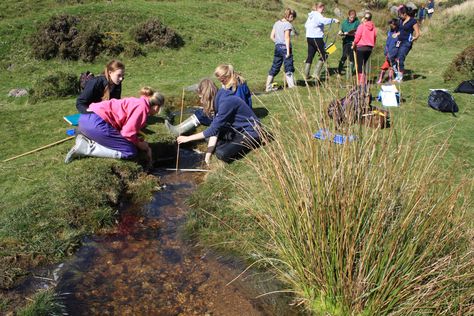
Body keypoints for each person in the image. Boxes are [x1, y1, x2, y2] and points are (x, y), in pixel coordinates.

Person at [65, 87, 164, 164]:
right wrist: (141, 145)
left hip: (83, 119)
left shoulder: (137, 101)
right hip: (96, 124)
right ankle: (87, 148)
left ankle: (86, 137)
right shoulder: (142, 108)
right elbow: (127, 134)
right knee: (130, 151)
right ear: (156, 107)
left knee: (125, 142)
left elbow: (124, 125)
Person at [177, 79, 261, 164]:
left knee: (221, 154)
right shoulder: (218, 98)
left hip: (251, 132)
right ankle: (232, 145)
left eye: (201, 97)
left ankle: (249, 144)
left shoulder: (226, 102)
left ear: (207, 95)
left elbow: (213, 130)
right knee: (208, 138)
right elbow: (215, 130)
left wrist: (187, 138)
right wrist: (208, 154)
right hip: (237, 130)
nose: (201, 101)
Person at [165, 64, 253, 136]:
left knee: (201, 114)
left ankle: (177, 130)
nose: (220, 81)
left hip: (235, 119)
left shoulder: (238, 87)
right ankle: (179, 128)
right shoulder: (232, 82)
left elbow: (239, 105)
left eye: (221, 79)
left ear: (226, 76)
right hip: (230, 114)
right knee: (202, 111)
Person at [303, 2, 339, 81]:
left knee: (310, 55)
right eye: (322, 8)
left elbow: (306, 25)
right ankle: (315, 74)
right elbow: (324, 21)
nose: (323, 9)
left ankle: (306, 75)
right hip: (317, 38)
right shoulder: (317, 15)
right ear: (319, 7)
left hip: (309, 37)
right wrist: (333, 20)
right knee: (325, 54)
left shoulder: (311, 15)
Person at [265, 8, 297, 92]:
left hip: (277, 47)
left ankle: (268, 87)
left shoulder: (277, 23)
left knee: (275, 66)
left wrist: (278, 42)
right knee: (288, 66)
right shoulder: (288, 25)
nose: (292, 20)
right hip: (285, 48)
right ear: (290, 16)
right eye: (293, 18)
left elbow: (271, 36)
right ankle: (291, 86)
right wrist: (288, 51)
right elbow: (287, 37)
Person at [392, 6, 420, 82]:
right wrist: (397, 34)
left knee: (400, 58)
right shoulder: (401, 20)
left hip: (406, 42)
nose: (399, 16)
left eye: (400, 14)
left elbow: (417, 33)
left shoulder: (413, 21)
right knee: (394, 58)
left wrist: (414, 38)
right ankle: (397, 74)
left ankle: (400, 76)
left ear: (405, 14)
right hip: (399, 41)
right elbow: (401, 31)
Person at [352, 12, 377, 85]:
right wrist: (372, 44)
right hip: (369, 48)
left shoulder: (361, 26)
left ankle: (361, 82)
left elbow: (358, 36)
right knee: (363, 64)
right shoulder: (373, 27)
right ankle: (364, 80)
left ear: (364, 18)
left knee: (360, 65)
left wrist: (354, 43)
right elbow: (375, 36)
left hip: (361, 47)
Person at [337, 9, 359, 77]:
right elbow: (341, 29)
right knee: (344, 56)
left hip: (353, 42)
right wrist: (340, 32)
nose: (352, 19)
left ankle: (350, 73)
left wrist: (350, 33)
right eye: (351, 17)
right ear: (348, 16)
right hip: (346, 42)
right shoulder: (344, 22)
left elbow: (358, 32)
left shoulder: (357, 22)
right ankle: (339, 72)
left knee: (352, 58)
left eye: (354, 17)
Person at [377, 19, 399, 84]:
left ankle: (390, 79)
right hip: (388, 54)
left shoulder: (399, 34)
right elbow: (387, 43)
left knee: (391, 68)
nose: (391, 26)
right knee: (384, 68)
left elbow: (398, 45)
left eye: (392, 25)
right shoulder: (389, 32)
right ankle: (380, 79)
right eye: (390, 25)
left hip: (394, 54)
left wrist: (397, 55)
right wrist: (386, 52)